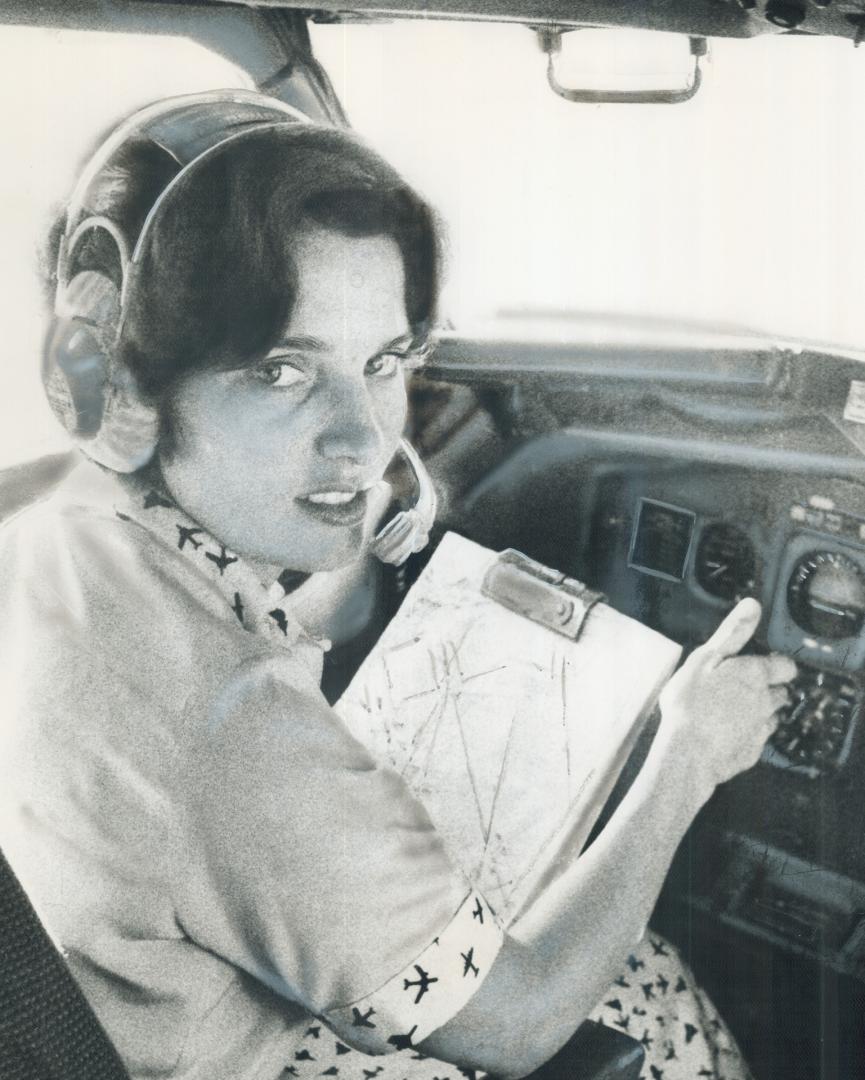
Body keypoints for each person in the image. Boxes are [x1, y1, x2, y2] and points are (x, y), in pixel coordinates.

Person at [0, 90, 796, 1080]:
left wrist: (319, 543)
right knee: (646, 982)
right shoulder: (232, 734)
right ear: (116, 385)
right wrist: (688, 752)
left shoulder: (43, 530)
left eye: (381, 362)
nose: (366, 437)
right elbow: (522, 1022)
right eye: (281, 370)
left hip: (127, 1009)